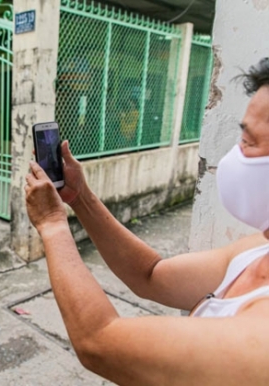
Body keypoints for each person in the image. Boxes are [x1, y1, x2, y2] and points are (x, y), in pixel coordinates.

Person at [24, 58, 269, 385]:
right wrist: (79, 197)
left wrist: (53, 225)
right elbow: (150, 275)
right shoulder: (257, 252)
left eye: (249, 142)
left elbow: (98, 342)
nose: (233, 157)